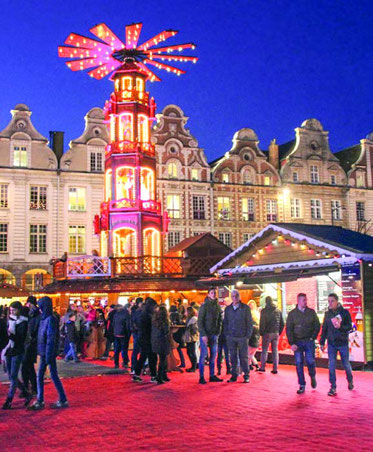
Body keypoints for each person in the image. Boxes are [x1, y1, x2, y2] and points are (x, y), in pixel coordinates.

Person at [28, 296, 68, 410]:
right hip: (44, 351)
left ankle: (59, 399)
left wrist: (49, 354)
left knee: (48, 375)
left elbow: (51, 339)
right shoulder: (43, 318)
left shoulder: (50, 319)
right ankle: (47, 399)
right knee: (44, 376)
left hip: (47, 352)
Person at [286, 293, 320, 394]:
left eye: (306, 300)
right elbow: (289, 329)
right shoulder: (292, 314)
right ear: (298, 301)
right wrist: (291, 343)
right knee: (299, 363)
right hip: (297, 342)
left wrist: (313, 337)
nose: (305, 302)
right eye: (303, 300)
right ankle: (302, 384)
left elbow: (317, 325)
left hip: (309, 341)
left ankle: (312, 375)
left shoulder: (311, 312)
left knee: (310, 361)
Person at [320, 293, 354, 396]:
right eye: (329, 301)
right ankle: (333, 387)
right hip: (331, 343)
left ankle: (350, 380)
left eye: (332, 301)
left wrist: (341, 327)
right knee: (331, 365)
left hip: (342, 342)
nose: (330, 303)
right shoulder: (327, 314)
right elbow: (324, 328)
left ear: (337, 301)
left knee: (346, 364)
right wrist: (322, 342)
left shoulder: (344, 313)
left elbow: (349, 327)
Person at [1, 301, 31, 409]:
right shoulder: (10, 321)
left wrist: (9, 335)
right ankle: (26, 392)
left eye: (14, 310)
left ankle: (8, 400)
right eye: (11, 310)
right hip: (9, 350)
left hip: (18, 351)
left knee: (13, 376)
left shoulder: (23, 322)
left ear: (19, 310)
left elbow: (20, 339)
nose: (12, 312)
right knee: (10, 376)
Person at [224, 290, 253, 383]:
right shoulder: (228, 309)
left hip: (242, 337)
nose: (235, 298)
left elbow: (249, 322)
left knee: (243, 357)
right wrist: (227, 334)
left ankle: (246, 375)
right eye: (233, 296)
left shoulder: (245, 308)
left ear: (239, 297)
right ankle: (234, 375)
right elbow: (225, 322)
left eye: (236, 296)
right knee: (232, 357)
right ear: (231, 297)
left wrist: (247, 335)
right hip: (231, 337)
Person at [197, 287, 223, 384]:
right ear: (208, 294)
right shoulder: (204, 306)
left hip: (214, 334)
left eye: (214, 293)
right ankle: (201, 376)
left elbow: (220, 320)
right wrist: (203, 334)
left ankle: (212, 375)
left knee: (213, 355)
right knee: (203, 355)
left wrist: (218, 331)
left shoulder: (217, 306)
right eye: (212, 293)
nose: (213, 294)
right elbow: (200, 321)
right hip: (205, 334)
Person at [133, 297, 158, 383]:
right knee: (152, 357)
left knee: (143, 357)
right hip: (148, 339)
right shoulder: (149, 316)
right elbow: (151, 328)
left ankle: (136, 374)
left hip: (142, 338)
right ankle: (153, 376)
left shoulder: (142, 314)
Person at [259, 296, 284, 374]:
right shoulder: (278, 310)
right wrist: (279, 332)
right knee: (275, 351)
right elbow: (282, 323)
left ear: (266, 302)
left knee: (264, 350)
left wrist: (261, 333)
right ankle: (275, 368)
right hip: (276, 332)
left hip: (267, 333)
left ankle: (262, 367)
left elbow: (262, 323)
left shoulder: (264, 311)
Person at [22, 296, 41, 396]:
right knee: (26, 367)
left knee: (28, 367)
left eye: (29, 304)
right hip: (27, 344)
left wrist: (32, 340)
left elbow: (35, 330)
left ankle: (32, 388)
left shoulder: (36, 316)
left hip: (31, 344)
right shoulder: (29, 314)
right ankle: (28, 388)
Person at [151, 305, 171, 384]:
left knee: (162, 359)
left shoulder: (155, 320)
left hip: (155, 341)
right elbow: (166, 332)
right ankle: (160, 376)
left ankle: (163, 375)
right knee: (163, 360)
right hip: (163, 341)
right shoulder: (165, 321)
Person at [112, 304, 130, 369]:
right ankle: (125, 363)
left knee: (116, 350)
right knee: (124, 350)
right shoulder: (126, 314)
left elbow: (113, 324)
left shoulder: (116, 315)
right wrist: (128, 334)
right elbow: (127, 325)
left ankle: (116, 364)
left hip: (116, 333)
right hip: (123, 334)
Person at [217, 299, 231, 376]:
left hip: (220, 336)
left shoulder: (219, 316)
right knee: (226, 353)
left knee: (220, 354)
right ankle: (228, 369)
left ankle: (219, 369)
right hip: (225, 336)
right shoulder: (228, 315)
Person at [130, 298, 143, 373]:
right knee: (138, 350)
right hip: (138, 332)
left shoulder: (133, 312)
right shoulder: (137, 312)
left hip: (136, 332)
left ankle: (134, 367)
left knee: (136, 350)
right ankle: (136, 367)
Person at [184, 307, 199, 372]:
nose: (185, 313)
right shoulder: (189, 319)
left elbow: (195, 329)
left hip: (192, 337)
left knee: (192, 352)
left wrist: (188, 327)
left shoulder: (194, 319)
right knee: (189, 352)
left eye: (186, 311)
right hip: (189, 337)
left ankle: (194, 367)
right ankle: (193, 366)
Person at [248, 300, 260, 371]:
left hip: (253, 333)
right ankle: (251, 365)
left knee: (249, 353)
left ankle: (253, 365)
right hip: (256, 333)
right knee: (251, 353)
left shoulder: (251, 314)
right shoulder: (257, 313)